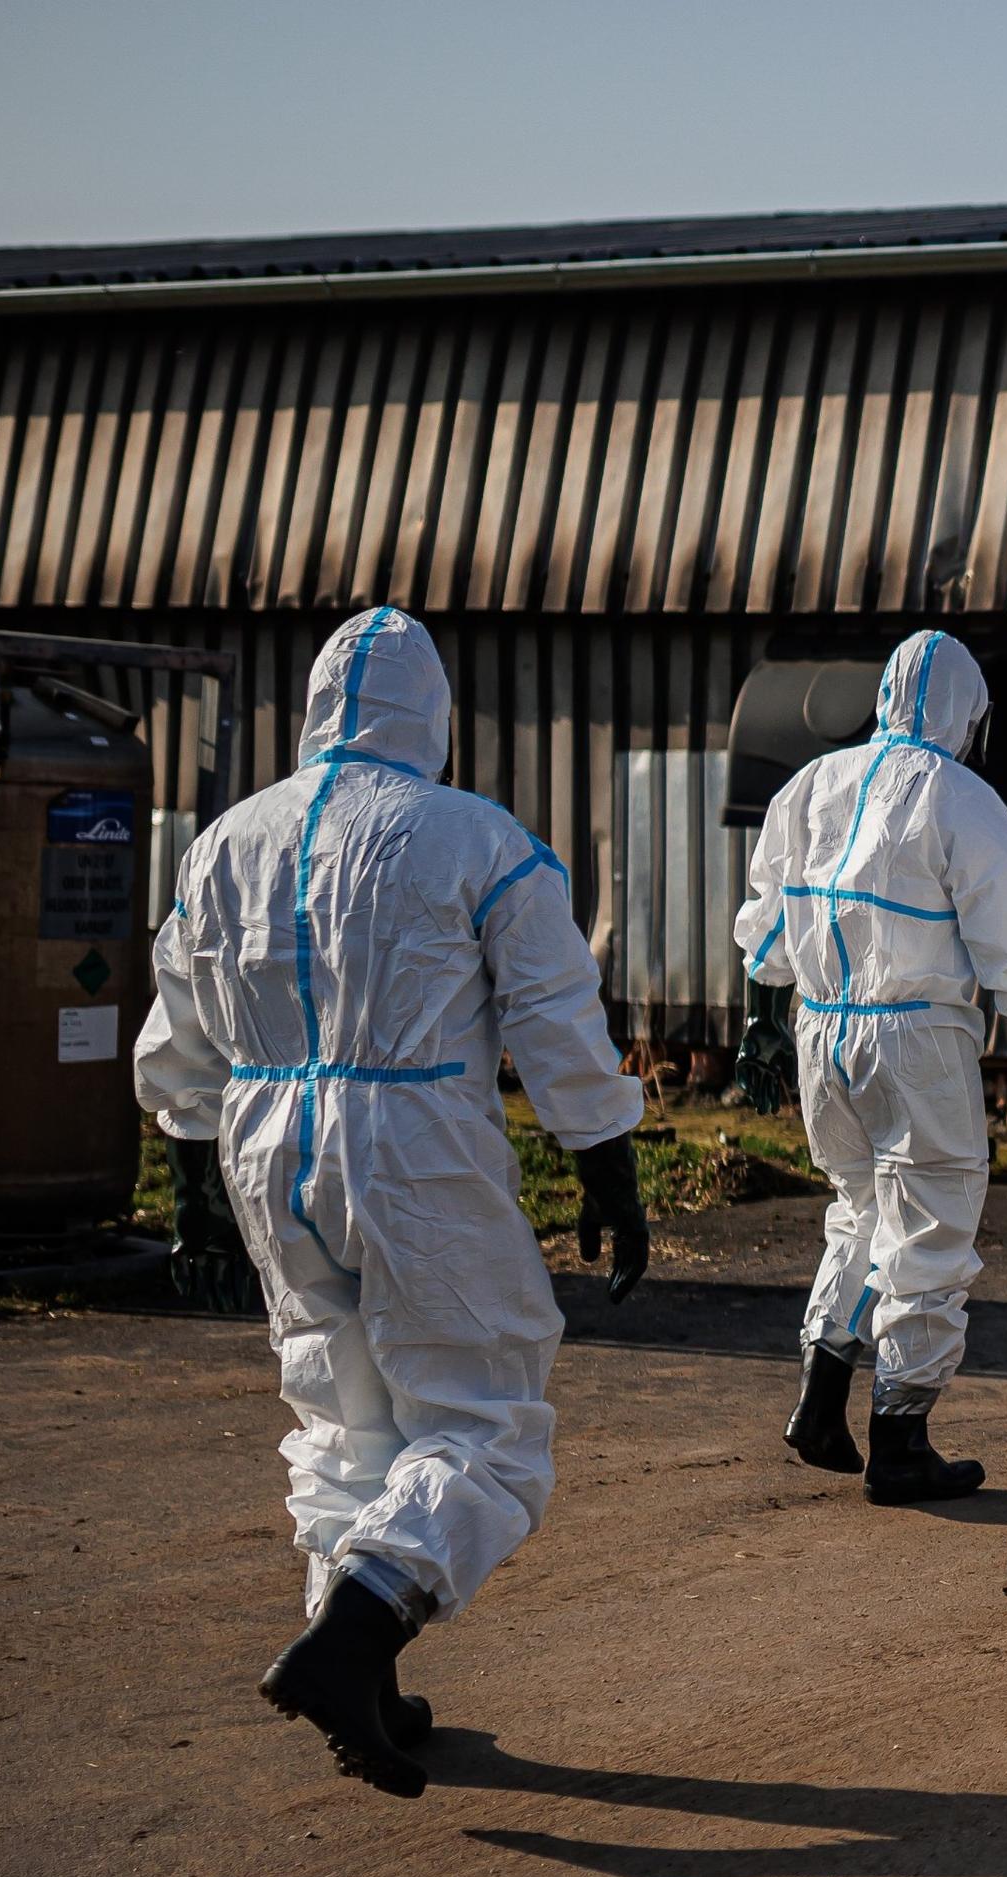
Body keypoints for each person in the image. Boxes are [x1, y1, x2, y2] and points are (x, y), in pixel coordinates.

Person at [135, 607, 649, 1799]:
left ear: (318, 707)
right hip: (413, 1148)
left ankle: (353, 1667)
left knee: (341, 1416)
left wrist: (191, 1178)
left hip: (267, 1146)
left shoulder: (226, 843)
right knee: (488, 1425)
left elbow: (179, 1037)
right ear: (434, 714)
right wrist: (606, 1159)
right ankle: (359, 1631)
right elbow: (553, 1013)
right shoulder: (473, 837)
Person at [735, 632, 1007, 1505]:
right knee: (928, 1228)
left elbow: (768, 919)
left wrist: (760, 1023)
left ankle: (820, 1400)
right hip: (915, 1040)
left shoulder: (812, 785)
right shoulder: (959, 797)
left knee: (859, 1212)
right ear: (966, 711)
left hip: (823, 1032)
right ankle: (901, 1438)